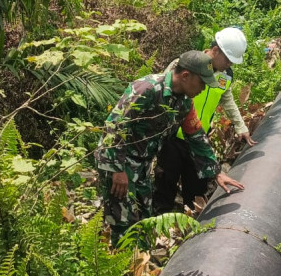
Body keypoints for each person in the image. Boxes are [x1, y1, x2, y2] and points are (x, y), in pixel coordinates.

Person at [95, 50, 246, 242]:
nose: (204, 88)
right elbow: (115, 127)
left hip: (142, 164)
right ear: (185, 76)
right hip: (117, 162)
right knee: (124, 223)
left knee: (145, 218)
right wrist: (117, 171)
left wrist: (215, 172)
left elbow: (196, 136)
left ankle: (142, 261)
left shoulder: (184, 103)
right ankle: (125, 265)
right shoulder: (146, 89)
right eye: (202, 83)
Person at [154, 27, 256, 215]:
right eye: (227, 59)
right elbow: (162, 92)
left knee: (196, 189)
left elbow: (226, 98)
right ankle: (159, 225)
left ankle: (190, 226)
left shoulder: (226, 75)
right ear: (215, 50)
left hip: (199, 139)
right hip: (173, 138)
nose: (228, 65)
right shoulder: (185, 64)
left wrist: (240, 125)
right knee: (165, 184)